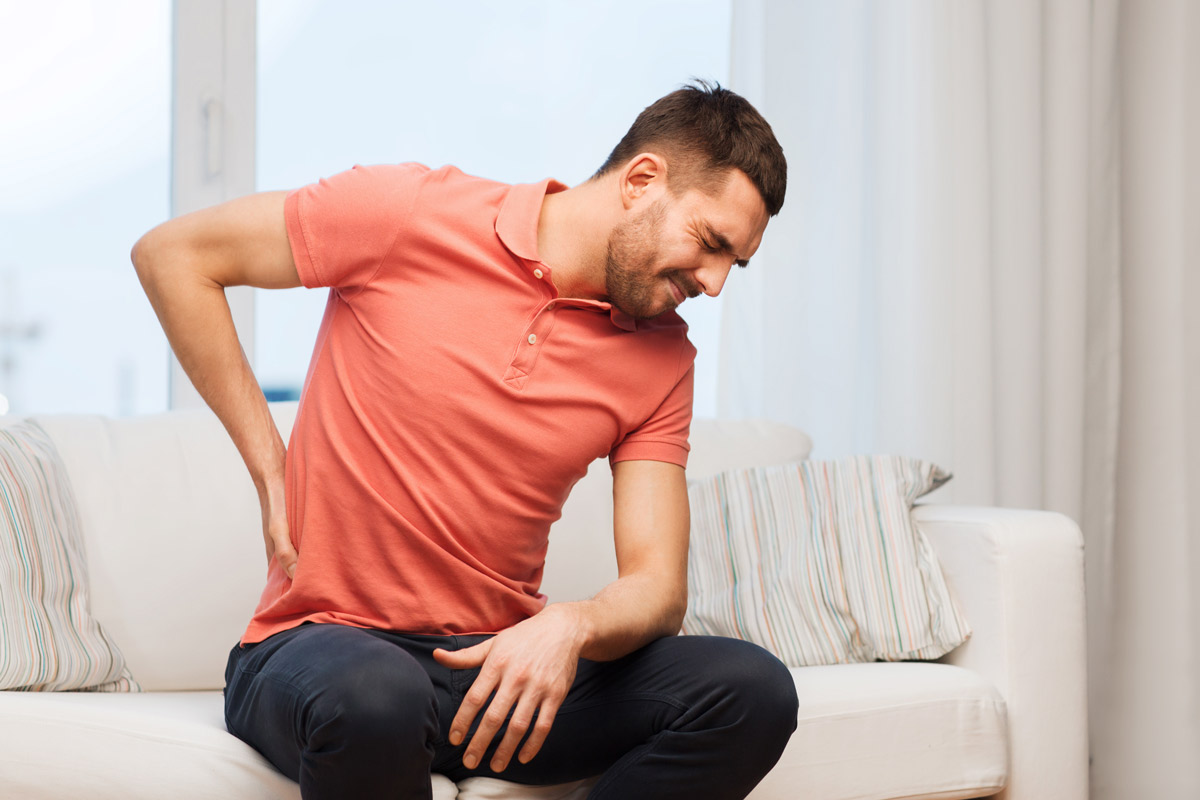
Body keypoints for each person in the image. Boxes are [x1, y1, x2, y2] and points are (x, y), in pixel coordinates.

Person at [131, 80, 798, 800]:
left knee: (751, 691)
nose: (715, 283)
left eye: (735, 263)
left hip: (491, 679)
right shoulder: (406, 212)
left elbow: (658, 590)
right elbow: (173, 257)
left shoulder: (664, 358)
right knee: (376, 694)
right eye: (711, 243)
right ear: (641, 181)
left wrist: (571, 626)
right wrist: (271, 468)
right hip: (323, 649)